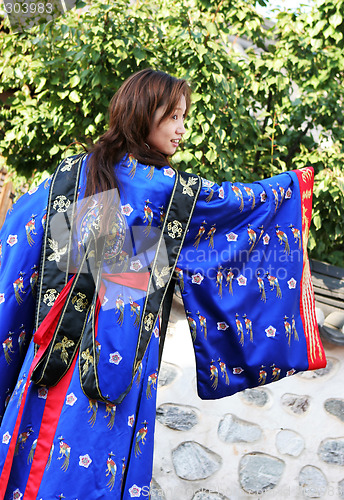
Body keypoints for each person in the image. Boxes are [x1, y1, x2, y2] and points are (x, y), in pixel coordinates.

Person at [0, 68, 326, 499]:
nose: (182, 130)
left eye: (184, 118)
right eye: (173, 116)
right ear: (142, 113)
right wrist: (293, 185)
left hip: (52, 355)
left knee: (32, 463)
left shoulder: (76, 172)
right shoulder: (167, 191)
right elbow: (237, 207)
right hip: (122, 357)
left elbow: (23, 238)